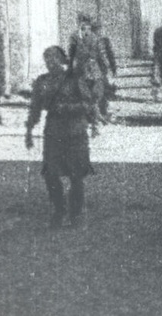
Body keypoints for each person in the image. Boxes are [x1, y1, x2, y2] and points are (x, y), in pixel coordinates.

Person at [25, 46, 100, 228]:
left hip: (75, 132)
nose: (50, 63)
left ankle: (76, 215)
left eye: (53, 59)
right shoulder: (42, 81)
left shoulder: (74, 79)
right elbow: (35, 107)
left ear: (61, 60)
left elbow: (88, 104)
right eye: (47, 59)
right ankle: (59, 211)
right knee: (51, 174)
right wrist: (29, 130)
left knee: (76, 176)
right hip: (53, 133)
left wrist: (68, 108)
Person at [68, 13, 112, 118]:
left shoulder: (93, 37)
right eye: (83, 26)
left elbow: (100, 52)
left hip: (92, 68)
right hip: (82, 68)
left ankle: (99, 112)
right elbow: (72, 53)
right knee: (84, 91)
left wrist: (106, 65)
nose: (86, 30)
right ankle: (89, 114)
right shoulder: (75, 37)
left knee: (97, 90)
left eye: (88, 27)